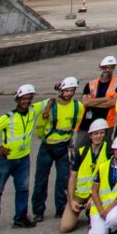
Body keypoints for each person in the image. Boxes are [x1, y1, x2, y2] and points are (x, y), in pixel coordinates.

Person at [0, 83, 37, 234]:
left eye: (29, 98)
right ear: (17, 99)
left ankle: (20, 218)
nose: (26, 101)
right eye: (23, 98)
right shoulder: (7, 118)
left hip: (23, 159)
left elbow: (49, 101)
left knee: (23, 189)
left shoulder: (33, 111)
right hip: (6, 160)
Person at [29, 77, 82, 225]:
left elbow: (79, 122)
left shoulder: (78, 106)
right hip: (48, 146)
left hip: (64, 146)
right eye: (66, 90)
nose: (69, 93)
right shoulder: (51, 105)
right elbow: (34, 115)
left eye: (72, 90)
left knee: (63, 179)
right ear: (61, 90)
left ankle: (61, 208)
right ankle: (38, 211)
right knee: (41, 179)